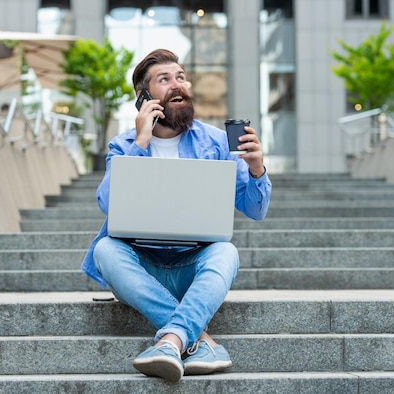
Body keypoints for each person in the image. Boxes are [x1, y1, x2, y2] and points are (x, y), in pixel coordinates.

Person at [81, 49, 272, 382]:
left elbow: (255, 210)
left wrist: (257, 170)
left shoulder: (215, 142)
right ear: (143, 96)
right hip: (141, 267)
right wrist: (140, 141)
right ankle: (200, 340)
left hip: (192, 266)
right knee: (104, 250)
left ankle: (171, 341)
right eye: (164, 80)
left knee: (226, 251)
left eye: (181, 77)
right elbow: (108, 205)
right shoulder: (123, 144)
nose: (177, 85)